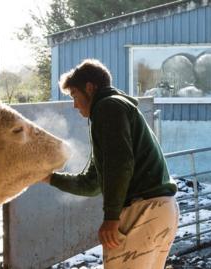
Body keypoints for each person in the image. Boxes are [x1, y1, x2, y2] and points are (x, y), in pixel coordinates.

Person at [43, 59, 179, 269]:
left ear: (90, 88)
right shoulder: (116, 109)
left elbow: (120, 163)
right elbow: (92, 183)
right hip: (160, 210)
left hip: (143, 209)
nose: (75, 104)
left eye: (74, 95)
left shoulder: (108, 106)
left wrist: (111, 218)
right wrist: (49, 177)